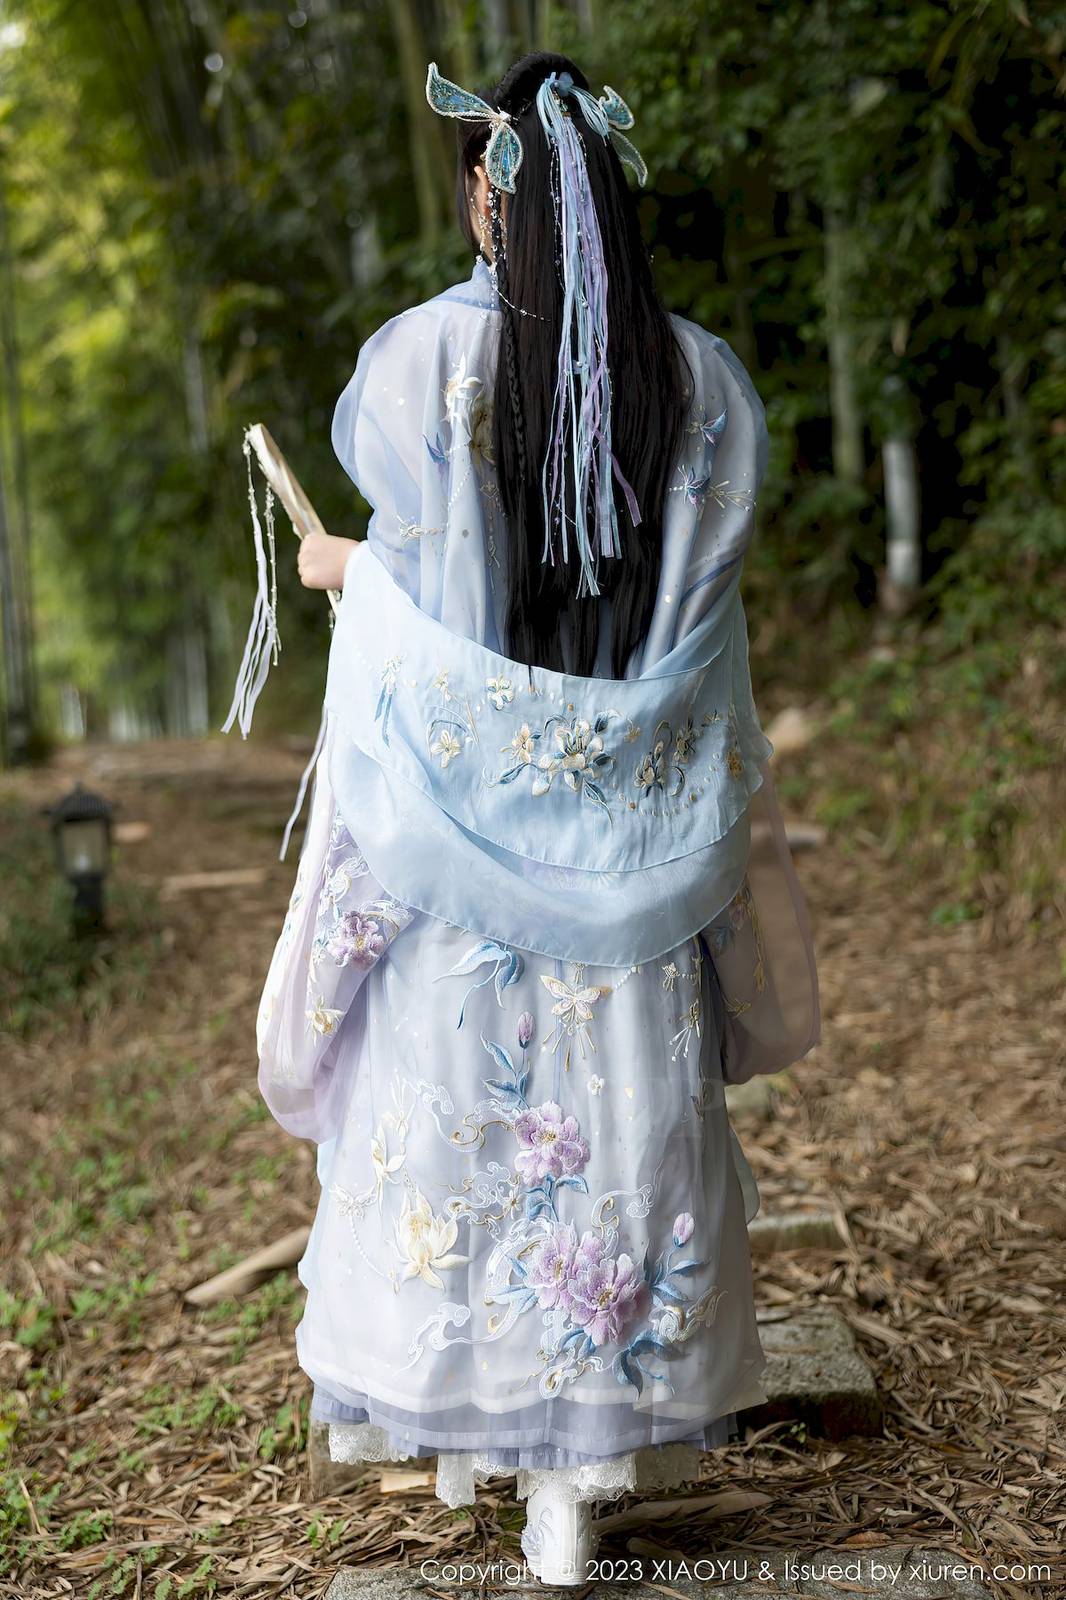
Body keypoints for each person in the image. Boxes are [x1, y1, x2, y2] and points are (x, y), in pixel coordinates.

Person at [236, 50, 820, 1586]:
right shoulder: (699, 384)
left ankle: (469, 1448)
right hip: (634, 833)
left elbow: (433, 616)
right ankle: (584, 1479)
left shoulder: (420, 365)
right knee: (619, 1136)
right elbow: (691, 630)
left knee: (463, 1131)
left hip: (460, 840)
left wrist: (347, 576)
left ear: (491, 197)